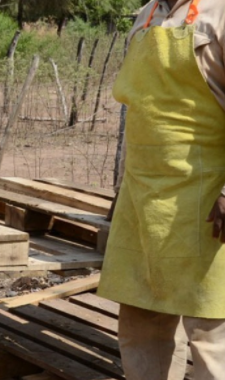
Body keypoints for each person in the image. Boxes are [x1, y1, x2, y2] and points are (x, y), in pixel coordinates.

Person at [97, 1, 225, 379]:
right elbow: (142, 109)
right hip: (142, 195)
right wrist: (124, 188)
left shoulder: (219, 12)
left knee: (209, 329)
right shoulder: (146, 15)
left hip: (204, 198)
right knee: (142, 321)